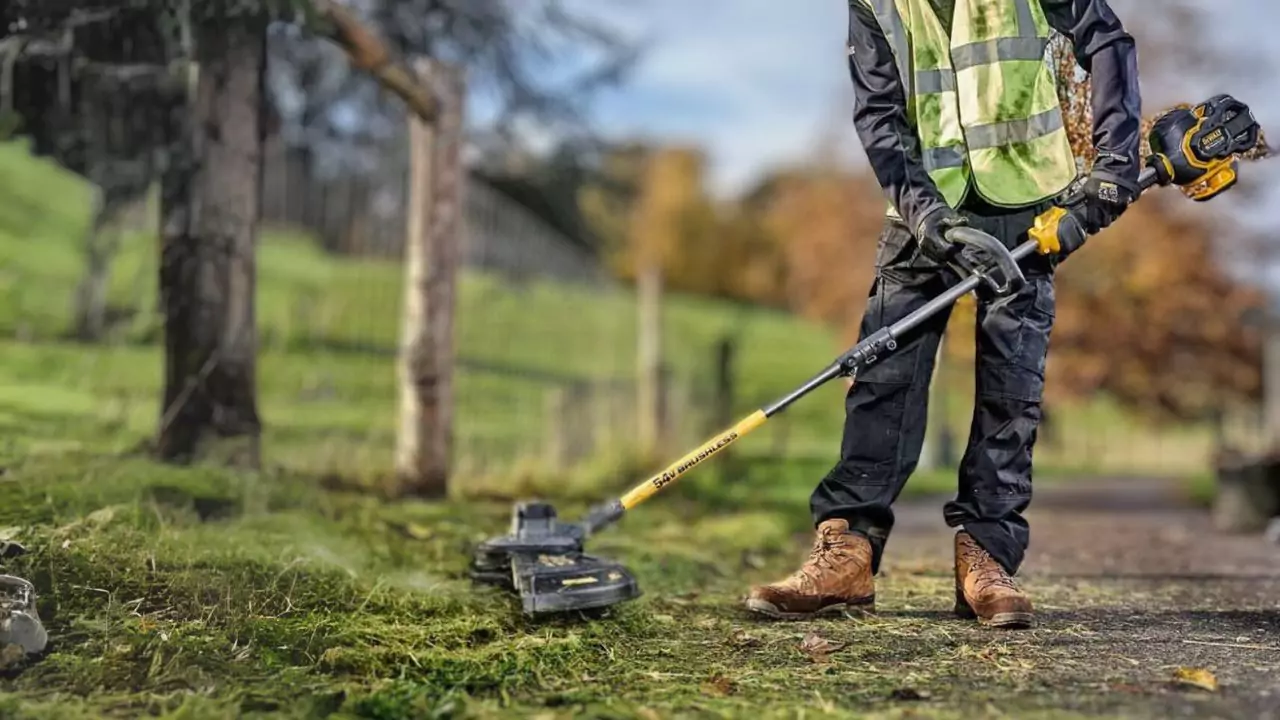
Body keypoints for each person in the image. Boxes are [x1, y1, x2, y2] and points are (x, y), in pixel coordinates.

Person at [746, 0, 1141, 628]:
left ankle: (987, 553)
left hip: (1025, 201)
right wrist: (929, 219)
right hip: (923, 210)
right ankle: (848, 551)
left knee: (1012, 389)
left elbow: (1107, 40)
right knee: (882, 377)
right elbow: (879, 113)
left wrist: (1116, 162)